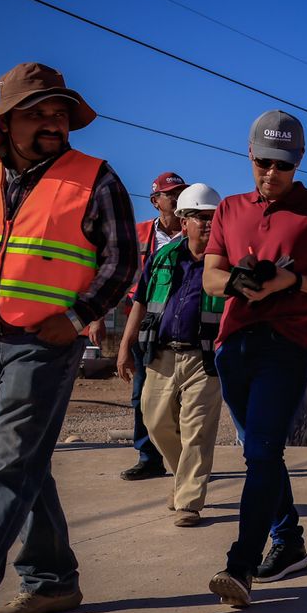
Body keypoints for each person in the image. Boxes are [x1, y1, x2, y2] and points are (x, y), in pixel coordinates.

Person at [0, 63, 138, 613]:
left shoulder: (94, 177)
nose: (53, 122)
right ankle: (53, 580)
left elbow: (120, 261)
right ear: (6, 120)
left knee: (3, 469)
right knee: (13, 465)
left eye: (59, 113)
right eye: (38, 112)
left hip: (44, 343)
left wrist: (79, 316)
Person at [202, 111, 307, 608]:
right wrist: (237, 283)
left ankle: (240, 564)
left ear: (298, 161)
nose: (272, 173)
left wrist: (293, 281)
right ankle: (289, 543)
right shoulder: (228, 209)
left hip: (286, 346)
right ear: (250, 155)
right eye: (264, 162)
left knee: (262, 451)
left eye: (282, 165)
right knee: (260, 452)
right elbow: (210, 277)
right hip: (234, 347)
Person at [117, 183, 225, 527]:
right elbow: (141, 300)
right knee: (155, 421)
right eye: (199, 218)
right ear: (183, 222)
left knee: (197, 430)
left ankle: (189, 503)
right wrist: (125, 344)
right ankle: (183, 482)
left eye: (212, 218)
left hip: (205, 357)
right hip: (160, 355)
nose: (206, 224)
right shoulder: (164, 257)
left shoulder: (226, 262)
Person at [121, 170, 188, 481]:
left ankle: (185, 461)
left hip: (185, 324)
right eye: (169, 194)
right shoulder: (139, 234)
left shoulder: (194, 232)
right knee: (142, 395)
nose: (175, 199)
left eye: (180, 192)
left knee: (184, 397)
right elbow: (119, 275)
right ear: (155, 201)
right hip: (146, 325)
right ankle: (148, 457)